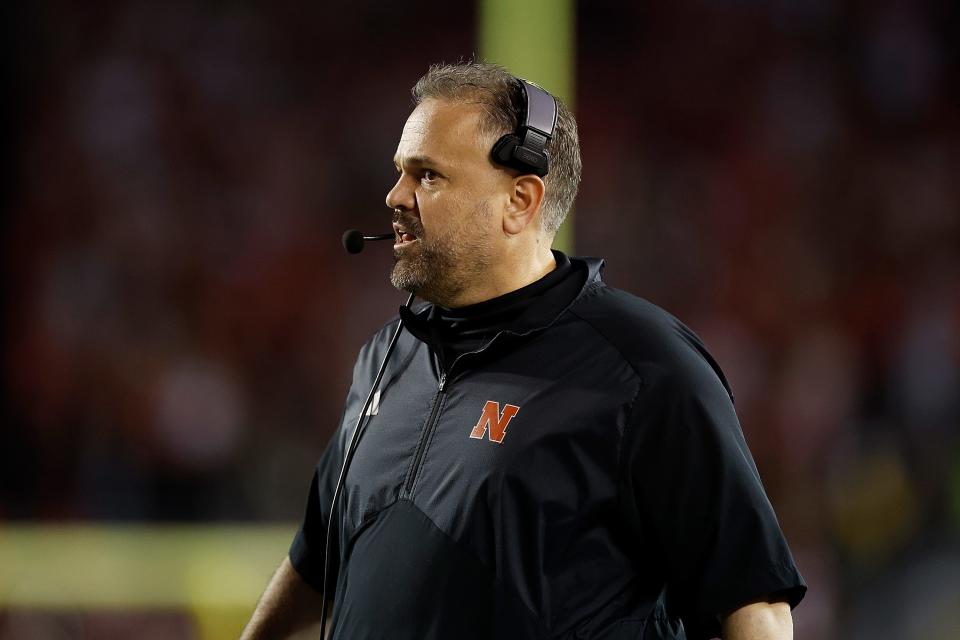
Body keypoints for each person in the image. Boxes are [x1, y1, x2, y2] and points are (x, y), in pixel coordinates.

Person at [242, 61, 806, 640]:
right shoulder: (385, 357)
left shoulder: (643, 365)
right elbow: (313, 568)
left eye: (427, 176)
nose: (395, 195)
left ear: (520, 200)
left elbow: (753, 603)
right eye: (400, 173)